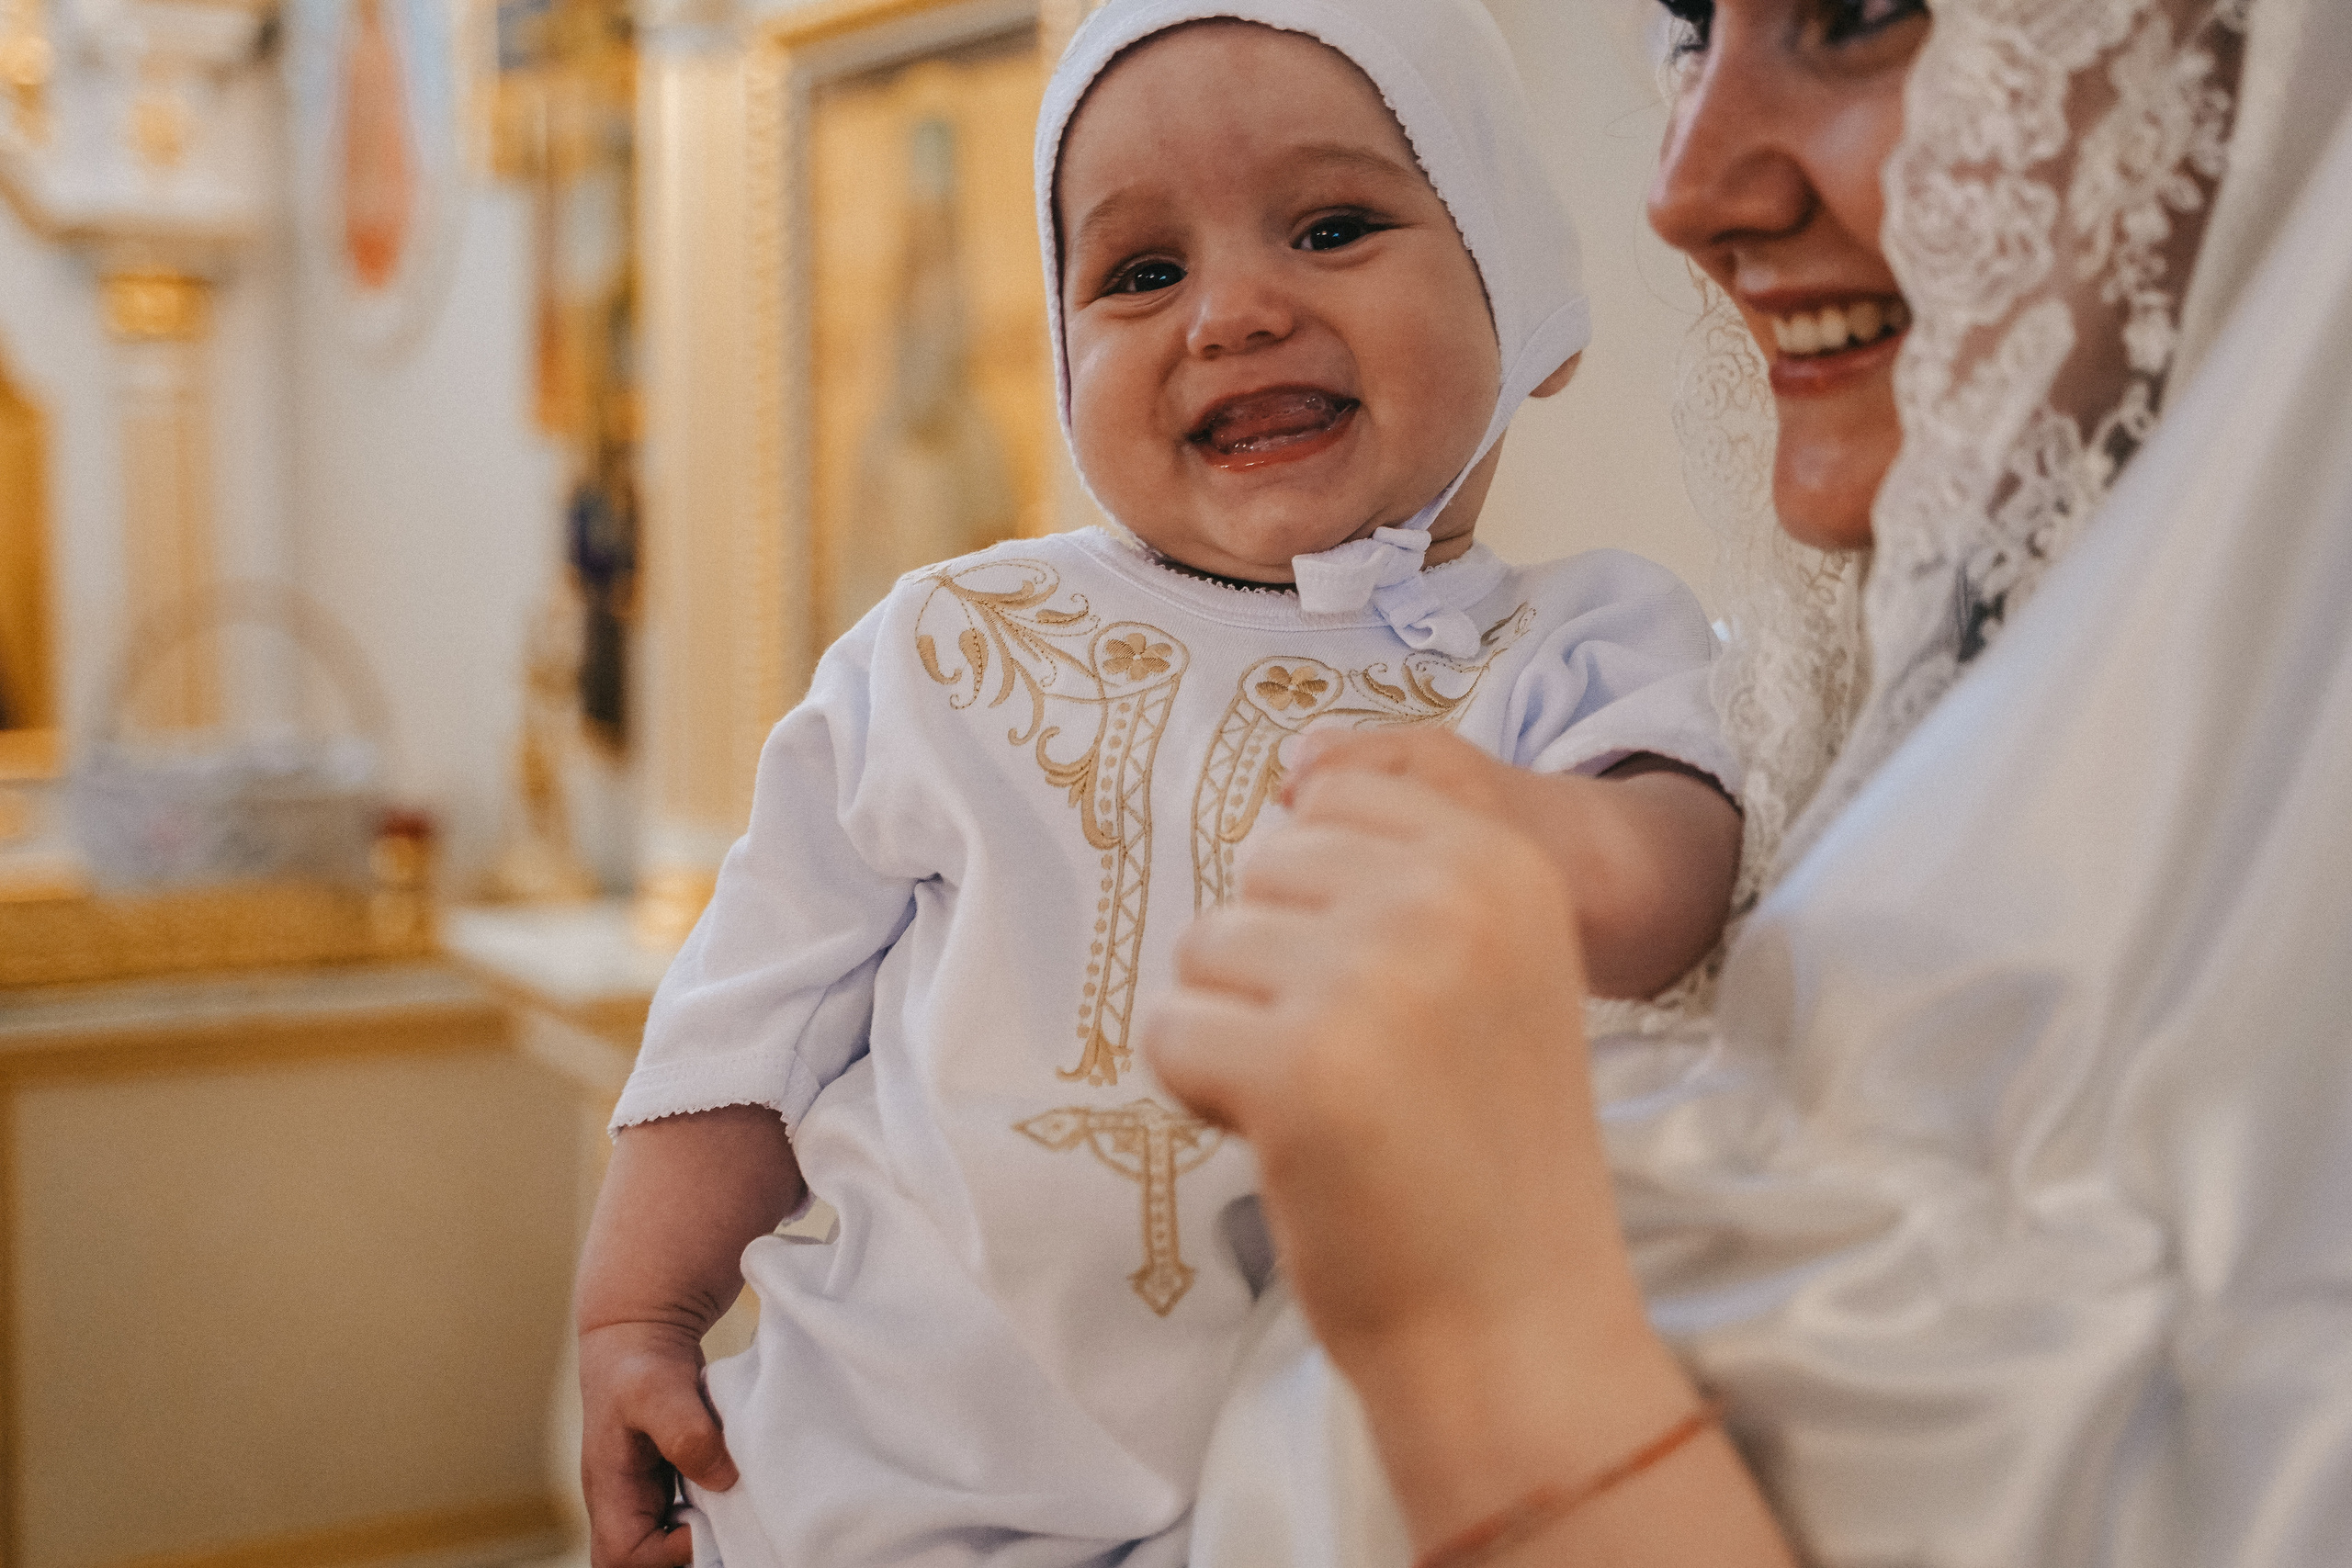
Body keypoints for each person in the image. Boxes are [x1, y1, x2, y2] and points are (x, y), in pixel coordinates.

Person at [1154, 0, 2352, 1563]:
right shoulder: (1821, 748)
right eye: (1685, 26)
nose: (1686, 186)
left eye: (1858, 15)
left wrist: (1492, 1341)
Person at [573, 5, 1754, 1564]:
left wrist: (1541, 842)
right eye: (1141, 273)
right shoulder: (948, 644)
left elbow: (1680, 863)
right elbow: (754, 1009)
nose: (1234, 313)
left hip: (1308, 1492)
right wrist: (640, 1312)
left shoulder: (1580, 638)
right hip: (861, 1474)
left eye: (1332, 228)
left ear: (1523, 286)